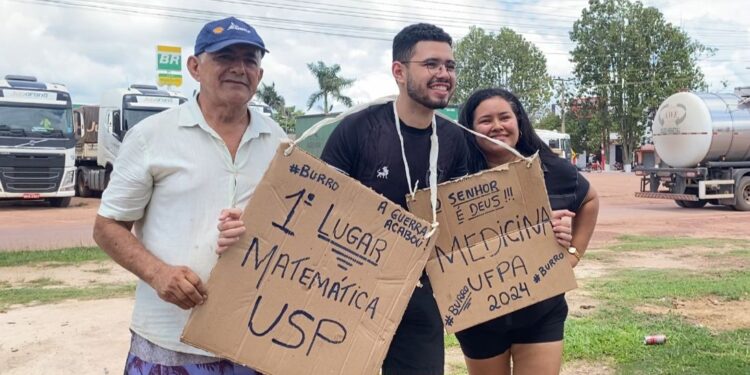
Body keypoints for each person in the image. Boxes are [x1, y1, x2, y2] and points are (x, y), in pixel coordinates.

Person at [93, 16, 286, 375]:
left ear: (260, 74)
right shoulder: (152, 137)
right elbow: (107, 226)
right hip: (170, 343)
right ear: (195, 67)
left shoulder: (280, 143)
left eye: (250, 59)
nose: (239, 68)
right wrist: (158, 274)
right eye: (226, 56)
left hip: (254, 340)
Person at [322, 23, 469, 375]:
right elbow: (320, 205)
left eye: (449, 66)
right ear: (399, 71)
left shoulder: (454, 140)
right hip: (348, 293)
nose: (443, 74)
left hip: (420, 300)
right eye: (431, 64)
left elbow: (468, 219)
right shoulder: (357, 130)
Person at [455, 88, 600, 375]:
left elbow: (590, 199)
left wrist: (575, 252)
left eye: (504, 117)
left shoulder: (550, 170)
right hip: (480, 316)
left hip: (541, 311)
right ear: (471, 130)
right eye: (485, 120)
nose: (496, 126)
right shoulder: (456, 180)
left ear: (519, 122)